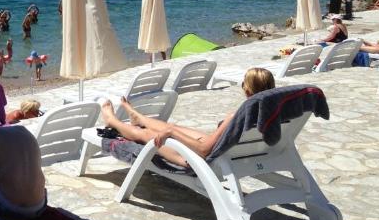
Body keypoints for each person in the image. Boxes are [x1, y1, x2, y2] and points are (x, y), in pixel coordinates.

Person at [101, 67, 276, 169]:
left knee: (146, 135)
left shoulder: (237, 116)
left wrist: (171, 132)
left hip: (200, 157)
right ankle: (138, 117)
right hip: (228, 151)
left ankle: (113, 121)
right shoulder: (275, 114)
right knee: (170, 126)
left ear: (246, 90)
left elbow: (203, 150)